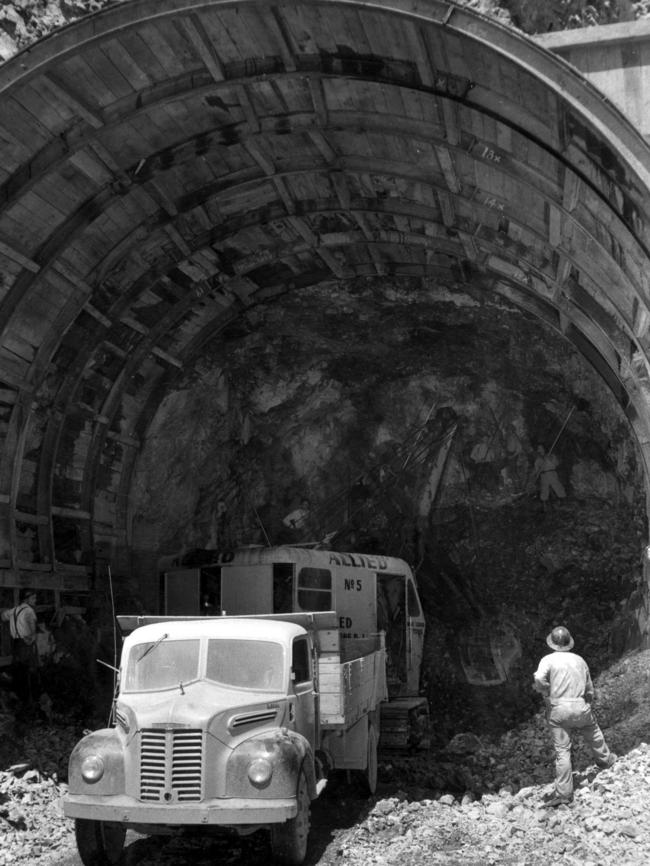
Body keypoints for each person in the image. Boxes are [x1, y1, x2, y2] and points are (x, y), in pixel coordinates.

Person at [533, 625, 616, 806]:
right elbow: (589, 688)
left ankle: (564, 794)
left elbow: (539, 678)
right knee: (593, 731)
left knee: (562, 751)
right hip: (580, 706)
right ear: (568, 643)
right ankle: (606, 761)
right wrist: (586, 701)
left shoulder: (547, 660)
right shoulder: (579, 660)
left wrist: (546, 690)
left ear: (552, 643)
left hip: (559, 710)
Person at [1, 589, 39, 720]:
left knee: (18, 670)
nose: (35, 601)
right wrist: (31, 640)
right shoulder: (29, 611)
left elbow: (3, 616)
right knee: (27, 672)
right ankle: (28, 705)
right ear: (27, 599)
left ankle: (17, 697)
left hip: (16, 643)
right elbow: (32, 630)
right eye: (33, 598)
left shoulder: (14, 610)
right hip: (25, 643)